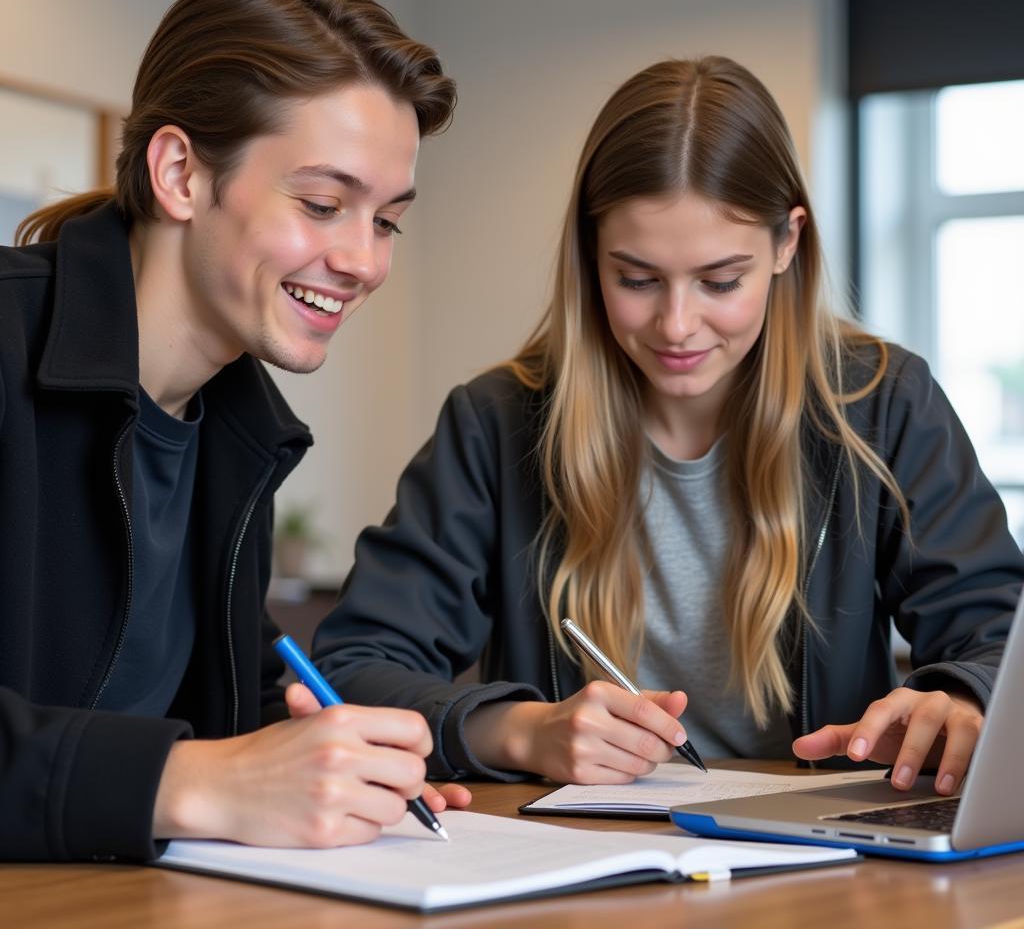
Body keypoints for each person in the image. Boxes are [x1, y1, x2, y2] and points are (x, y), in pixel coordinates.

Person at [314, 56, 1024, 800]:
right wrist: (523, 731)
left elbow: (1000, 637)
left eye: (721, 281)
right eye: (637, 279)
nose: (677, 326)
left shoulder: (883, 405)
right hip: (567, 863)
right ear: (591, 259)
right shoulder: (496, 424)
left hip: (824, 862)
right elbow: (354, 669)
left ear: (787, 244)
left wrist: (967, 697)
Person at [0, 0, 470, 864]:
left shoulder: (236, 431)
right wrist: (197, 783)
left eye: (385, 220)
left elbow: (242, 702)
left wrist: (349, 769)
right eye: (324, 203)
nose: (365, 262)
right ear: (179, 172)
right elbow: (201, 768)